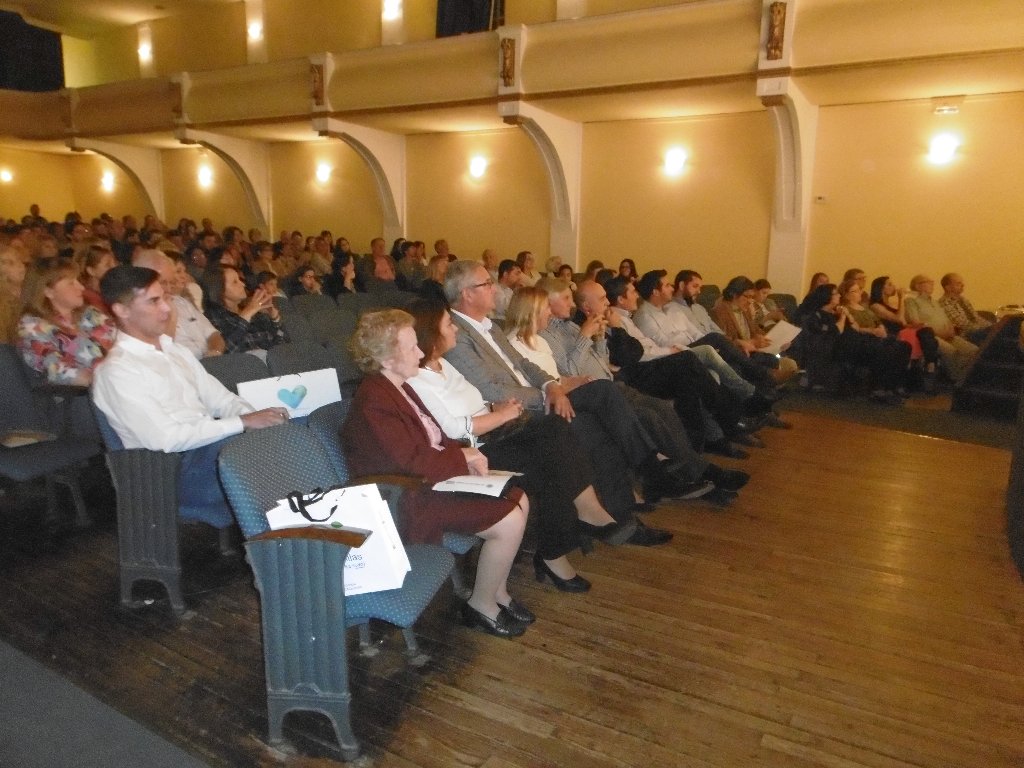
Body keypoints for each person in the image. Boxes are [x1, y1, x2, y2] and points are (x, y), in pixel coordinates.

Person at [441, 259, 684, 543]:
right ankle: (647, 467)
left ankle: (623, 515)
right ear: (467, 293)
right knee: (602, 392)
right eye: (487, 284)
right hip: (513, 413)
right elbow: (491, 389)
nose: (495, 289)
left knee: (594, 427)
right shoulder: (457, 333)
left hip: (538, 397)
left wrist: (551, 385)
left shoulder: (490, 327)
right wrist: (549, 393)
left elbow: (524, 363)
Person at [407, 298, 633, 591]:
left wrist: (496, 407)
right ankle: (560, 546)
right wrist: (500, 414)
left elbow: (477, 399)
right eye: (449, 325)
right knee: (544, 461)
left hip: (496, 430)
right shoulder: (416, 379)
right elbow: (454, 428)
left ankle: (578, 524)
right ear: (431, 335)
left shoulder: (444, 366)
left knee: (554, 429)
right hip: (474, 453)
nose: (456, 330)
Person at [341, 310, 532, 638]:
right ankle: (480, 605)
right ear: (387, 358)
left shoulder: (400, 385)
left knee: (520, 498)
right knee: (510, 520)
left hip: (432, 482)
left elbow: (434, 437)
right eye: (412, 347)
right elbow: (410, 461)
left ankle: (497, 592)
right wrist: (461, 457)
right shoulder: (375, 398)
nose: (420, 352)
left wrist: (466, 454)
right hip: (406, 498)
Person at [92, 266, 288, 514]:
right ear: (122, 310)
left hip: (207, 450)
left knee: (290, 431)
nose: (167, 308)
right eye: (154, 301)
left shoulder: (175, 351)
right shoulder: (117, 371)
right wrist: (243, 422)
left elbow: (222, 400)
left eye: (165, 297)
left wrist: (256, 422)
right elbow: (166, 439)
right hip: (173, 471)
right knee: (276, 455)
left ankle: (308, 533)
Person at [534, 280, 750, 503]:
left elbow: (603, 360)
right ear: (548, 302)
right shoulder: (548, 335)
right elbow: (570, 374)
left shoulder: (570, 326)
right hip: (598, 393)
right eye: (567, 298)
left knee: (663, 408)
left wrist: (598, 339)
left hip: (613, 384)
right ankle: (701, 474)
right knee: (651, 415)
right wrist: (586, 336)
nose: (573, 303)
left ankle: (695, 473)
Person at [800, 283, 908, 404]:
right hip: (837, 348)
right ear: (827, 297)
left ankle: (891, 387)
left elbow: (855, 328)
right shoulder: (818, 315)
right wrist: (843, 316)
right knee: (880, 349)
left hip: (854, 343)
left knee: (898, 347)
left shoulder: (838, 311)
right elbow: (837, 331)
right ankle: (879, 390)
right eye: (835, 293)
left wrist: (848, 316)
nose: (839, 295)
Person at [17, 257, 115, 385]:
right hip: (77, 396)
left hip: (113, 381)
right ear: (48, 292)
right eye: (71, 283)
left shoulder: (89, 314)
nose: (81, 287)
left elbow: (121, 341)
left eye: (78, 281)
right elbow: (56, 370)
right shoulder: (33, 326)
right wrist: (108, 380)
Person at [869, 275, 939, 391]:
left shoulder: (891, 304)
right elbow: (899, 319)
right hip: (892, 333)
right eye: (889, 284)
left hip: (903, 330)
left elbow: (904, 323)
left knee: (927, 331)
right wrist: (902, 298)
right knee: (917, 335)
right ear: (880, 288)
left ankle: (930, 365)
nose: (894, 287)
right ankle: (925, 370)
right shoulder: (876, 305)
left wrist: (916, 325)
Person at [905, 274, 978, 383]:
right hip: (931, 336)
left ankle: (965, 377)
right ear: (918, 286)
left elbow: (945, 318)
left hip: (948, 334)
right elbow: (915, 321)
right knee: (951, 352)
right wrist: (938, 332)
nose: (932, 284)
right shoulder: (912, 301)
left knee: (973, 350)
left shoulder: (934, 301)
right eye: (928, 282)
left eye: (932, 282)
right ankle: (956, 379)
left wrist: (951, 328)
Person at [202, 264, 287, 355]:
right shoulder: (212, 317)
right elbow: (227, 351)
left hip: (275, 360)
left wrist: (275, 318)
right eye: (235, 282)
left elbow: (281, 341)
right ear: (218, 290)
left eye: (239, 279)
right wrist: (246, 316)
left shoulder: (253, 310)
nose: (242, 284)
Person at [938, 273, 992, 346]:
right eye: (958, 283)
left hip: (978, 331)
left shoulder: (963, 300)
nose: (962, 285)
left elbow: (976, 318)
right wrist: (986, 329)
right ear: (948, 287)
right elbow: (961, 323)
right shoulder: (944, 303)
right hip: (966, 335)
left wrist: (992, 326)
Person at [0, 244, 26, 343]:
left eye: (19, 260)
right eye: (11, 263)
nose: (20, 265)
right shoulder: (2, 303)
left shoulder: (31, 290)